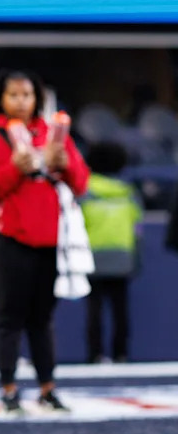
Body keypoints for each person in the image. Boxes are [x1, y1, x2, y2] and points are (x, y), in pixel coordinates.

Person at [0, 70, 90, 415]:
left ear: (37, 99)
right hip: (7, 237)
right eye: (13, 95)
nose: (20, 101)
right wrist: (13, 169)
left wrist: (65, 166)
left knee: (42, 317)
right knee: (9, 315)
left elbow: (81, 183)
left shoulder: (52, 135)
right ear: (0, 99)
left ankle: (47, 389)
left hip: (48, 237)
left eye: (27, 95)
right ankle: (9, 389)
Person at [80, 142, 141, 364]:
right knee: (119, 309)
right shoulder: (128, 193)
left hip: (92, 257)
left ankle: (95, 354)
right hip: (121, 258)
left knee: (94, 309)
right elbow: (137, 225)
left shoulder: (84, 191)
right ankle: (120, 354)